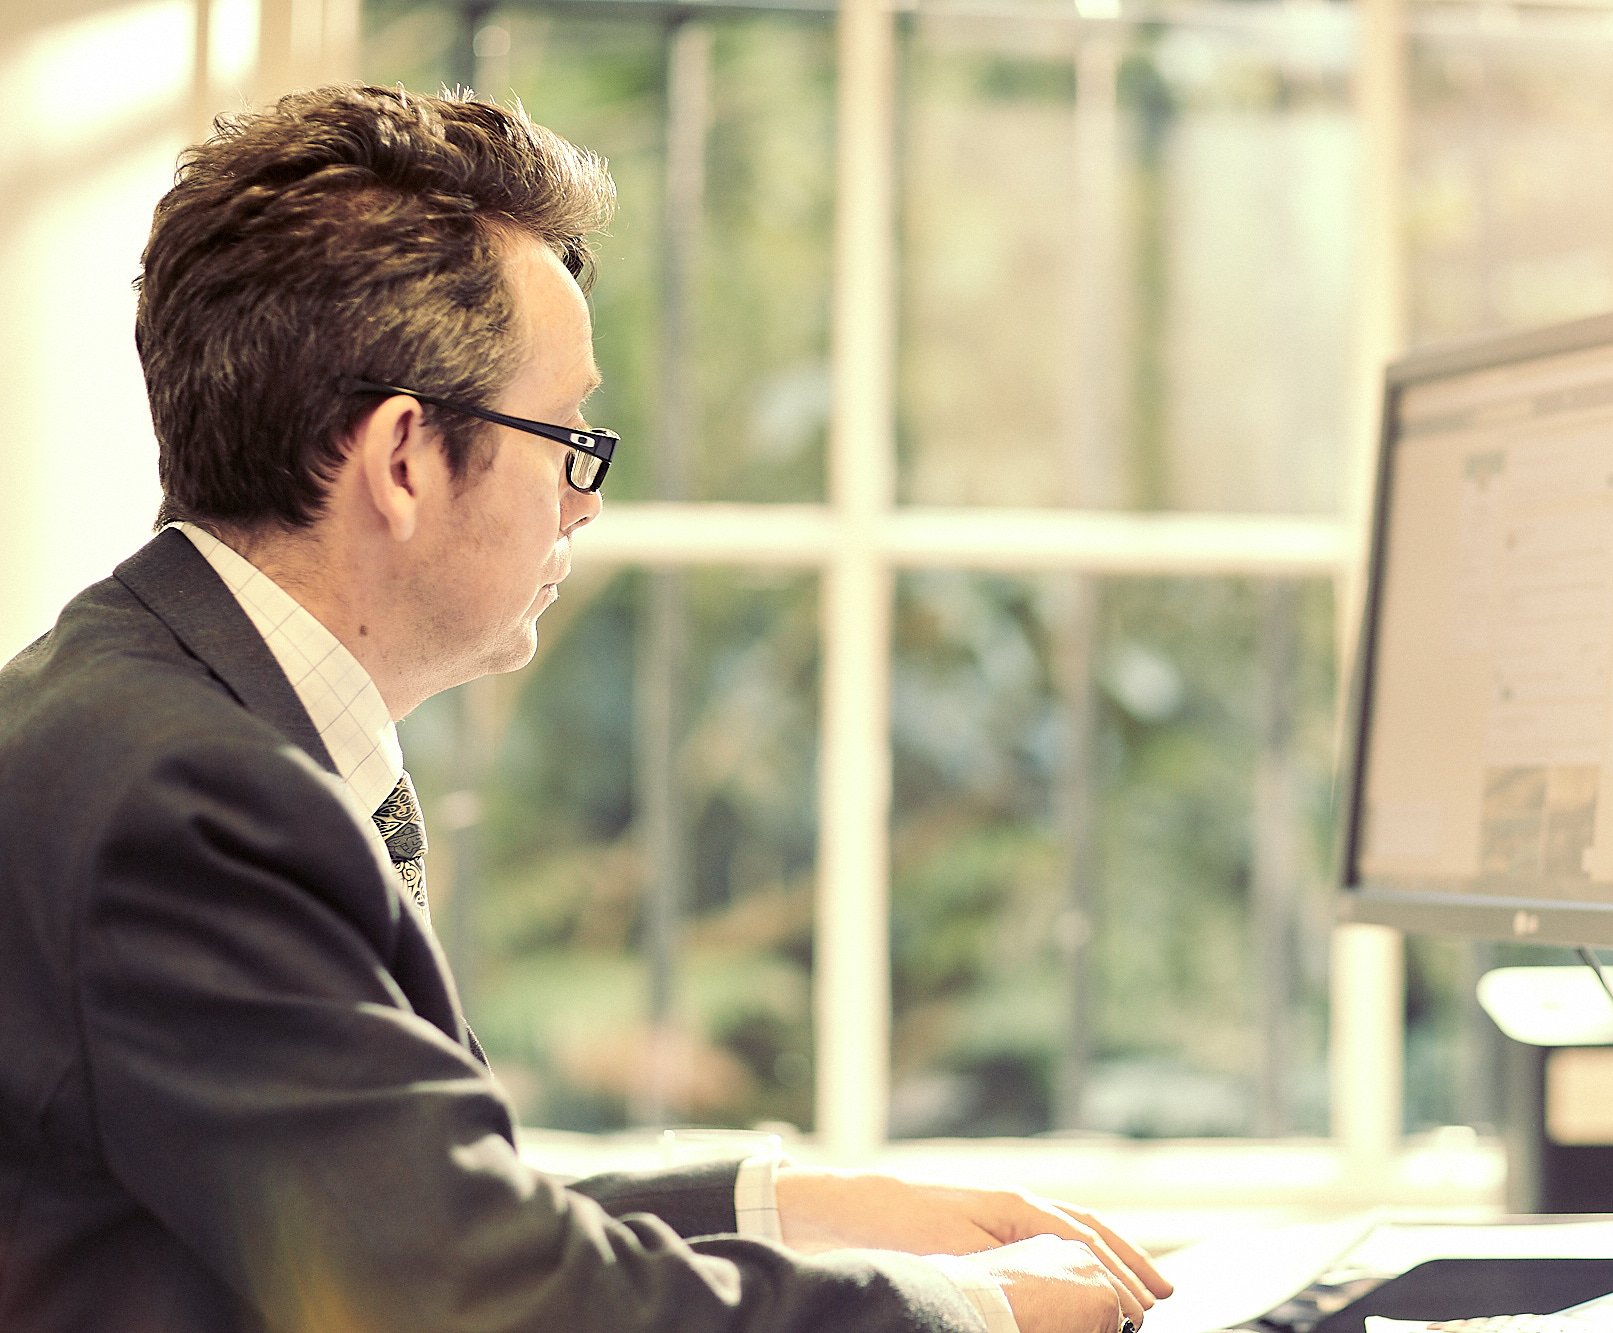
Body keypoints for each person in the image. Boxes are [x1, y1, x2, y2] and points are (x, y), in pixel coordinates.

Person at [0, 84, 1170, 1332]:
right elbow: (477, 1293)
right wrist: (963, 1311)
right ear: (402, 460)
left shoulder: (142, 706)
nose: (585, 498)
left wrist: (797, 1203)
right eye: (565, 432)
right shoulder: (191, 799)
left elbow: (404, 1205)